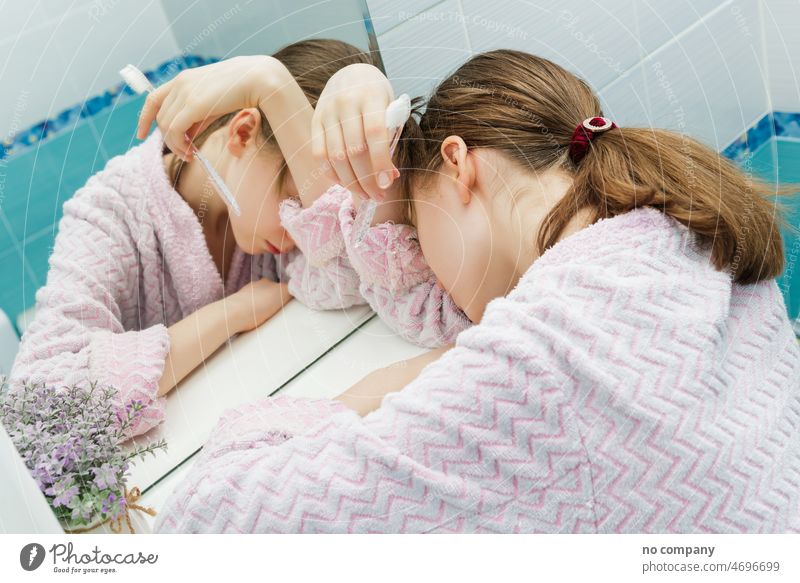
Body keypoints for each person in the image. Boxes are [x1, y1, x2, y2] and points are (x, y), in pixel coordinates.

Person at [154, 50, 800, 533]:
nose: (438, 281)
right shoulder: (685, 227)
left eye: (420, 231)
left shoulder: (532, 365)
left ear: (459, 164)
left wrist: (362, 395)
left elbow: (206, 520)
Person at [10, 40, 372, 440]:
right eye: (298, 196)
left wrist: (276, 88)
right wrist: (234, 311)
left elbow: (363, 274)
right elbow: (42, 413)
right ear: (244, 131)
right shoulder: (108, 212)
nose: (305, 226)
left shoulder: (274, 222)